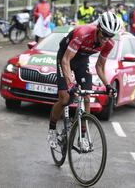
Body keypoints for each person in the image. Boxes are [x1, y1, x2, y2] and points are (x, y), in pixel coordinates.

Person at [47, 12, 121, 148]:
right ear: (98, 27)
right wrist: (70, 85)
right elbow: (66, 60)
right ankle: (52, 129)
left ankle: (83, 136)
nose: (106, 39)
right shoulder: (83, 33)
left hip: (81, 60)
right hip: (65, 56)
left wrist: (108, 85)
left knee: (87, 96)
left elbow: (99, 66)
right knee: (64, 99)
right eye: (104, 34)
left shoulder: (109, 43)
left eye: (110, 36)